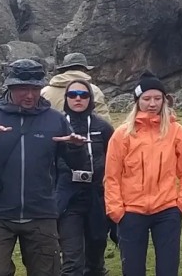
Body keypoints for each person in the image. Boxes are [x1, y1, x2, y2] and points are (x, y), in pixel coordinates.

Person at [0, 59, 89, 276]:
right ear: (10, 87)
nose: (29, 95)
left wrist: (75, 148)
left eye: (35, 89)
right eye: (22, 89)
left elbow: (78, 165)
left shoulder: (55, 120)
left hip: (41, 213)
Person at [104, 71, 182, 276]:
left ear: (165, 100)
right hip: (131, 212)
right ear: (137, 101)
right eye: (146, 99)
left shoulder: (176, 131)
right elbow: (112, 176)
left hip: (167, 210)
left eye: (157, 98)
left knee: (168, 269)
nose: (152, 103)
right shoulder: (122, 134)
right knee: (133, 270)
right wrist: (116, 211)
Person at [56, 80, 114, 276]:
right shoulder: (57, 125)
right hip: (68, 199)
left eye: (83, 94)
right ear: (66, 99)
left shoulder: (103, 127)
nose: (78, 99)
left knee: (96, 257)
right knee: (72, 260)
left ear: (90, 98)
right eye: (72, 95)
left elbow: (114, 159)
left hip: (97, 196)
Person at [42, 53, 110, 119]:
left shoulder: (45, 91)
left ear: (64, 69)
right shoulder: (94, 90)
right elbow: (104, 119)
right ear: (84, 69)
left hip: (53, 130)